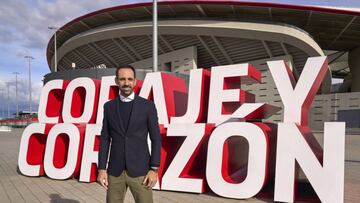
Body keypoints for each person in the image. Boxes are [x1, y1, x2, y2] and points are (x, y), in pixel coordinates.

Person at [97, 65, 161, 203]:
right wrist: (102, 168)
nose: (126, 83)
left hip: (141, 171)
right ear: (116, 81)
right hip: (115, 171)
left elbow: (156, 139)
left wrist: (154, 169)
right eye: (122, 79)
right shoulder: (109, 107)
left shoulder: (148, 106)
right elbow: (105, 139)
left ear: (135, 81)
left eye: (130, 79)